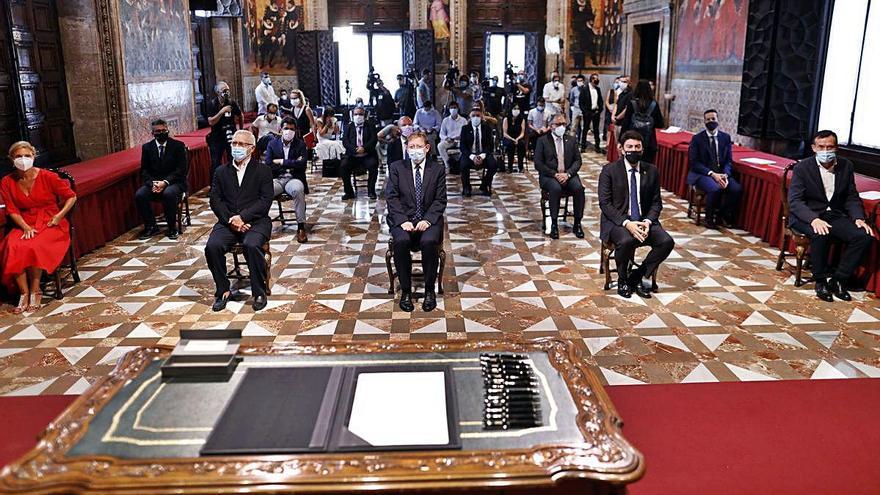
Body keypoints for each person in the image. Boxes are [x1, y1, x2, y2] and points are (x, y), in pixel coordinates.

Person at [788, 130, 874, 302]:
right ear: (813, 148)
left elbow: (851, 196)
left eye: (830, 147)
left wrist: (858, 218)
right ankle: (820, 282)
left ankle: (839, 280)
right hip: (806, 216)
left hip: (834, 214)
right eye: (821, 147)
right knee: (821, 233)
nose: (825, 151)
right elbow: (795, 201)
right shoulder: (802, 167)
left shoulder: (846, 165)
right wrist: (813, 219)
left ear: (837, 148)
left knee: (863, 237)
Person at [1, 141, 77, 314]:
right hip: (24, 221)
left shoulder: (47, 176)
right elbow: (11, 209)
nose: (23, 159)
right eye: (18, 156)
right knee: (13, 245)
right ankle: (24, 293)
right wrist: (26, 227)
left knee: (34, 245)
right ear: (11, 159)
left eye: (27, 156)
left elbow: (71, 196)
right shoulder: (7, 181)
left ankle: (36, 290)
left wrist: (59, 216)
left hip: (50, 220)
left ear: (34, 156)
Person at [598, 130, 674, 298]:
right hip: (618, 221)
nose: (634, 150)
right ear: (621, 149)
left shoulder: (651, 170)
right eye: (630, 147)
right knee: (626, 240)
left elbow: (656, 203)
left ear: (642, 149)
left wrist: (647, 221)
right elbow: (605, 203)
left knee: (666, 242)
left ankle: (637, 276)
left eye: (637, 147)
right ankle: (623, 280)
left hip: (643, 220)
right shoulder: (609, 170)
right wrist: (627, 223)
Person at [206, 130, 274, 312]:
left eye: (241, 144)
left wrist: (243, 217)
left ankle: (259, 291)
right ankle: (223, 290)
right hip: (227, 221)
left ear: (251, 149)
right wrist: (231, 219)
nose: (236, 147)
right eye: (234, 143)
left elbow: (265, 200)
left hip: (256, 221)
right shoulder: (221, 171)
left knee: (252, 245)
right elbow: (215, 200)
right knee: (212, 246)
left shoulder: (263, 170)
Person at [385, 131, 447, 312]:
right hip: (402, 219)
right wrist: (402, 220)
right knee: (402, 241)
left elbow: (440, 199)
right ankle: (405, 291)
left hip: (429, 219)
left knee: (428, 242)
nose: (415, 150)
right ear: (406, 148)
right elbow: (392, 197)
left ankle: (429, 290)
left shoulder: (437, 169)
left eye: (419, 147)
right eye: (411, 147)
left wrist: (427, 220)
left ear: (427, 148)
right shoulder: (397, 167)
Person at [687, 109, 742, 229]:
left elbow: (728, 160)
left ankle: (721, 216)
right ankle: (709, 218)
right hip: (703, 174)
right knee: (715, 189)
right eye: (708, 119)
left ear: (718, 120)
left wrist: (726, 175)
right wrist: (712, 174)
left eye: (713, 119)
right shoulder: (697, 139)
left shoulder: (725, 138)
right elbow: (694, 163)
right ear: (704, 122)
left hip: (722, 173)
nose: (711, 121)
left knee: (736, 189)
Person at [135, 119, 187, 241]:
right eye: (158, 131)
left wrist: (165, 183)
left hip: (174, 182)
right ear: (153, 133)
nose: (161, 133)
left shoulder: (178, 146)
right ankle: (151, 226)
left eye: (164, 130)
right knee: (140, 195)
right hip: (154, 182)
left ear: (167, 130)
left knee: (169, 193)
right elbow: (144, 170)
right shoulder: (147, 147)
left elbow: (181, 170)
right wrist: (152, 183)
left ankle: (171, 227)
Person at [534, 115, 585, 239]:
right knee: (555, 189)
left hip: (568, 174)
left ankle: (577, 223)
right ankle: (554, 224)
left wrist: (568, 174)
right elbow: (538, 163)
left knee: (579, 188)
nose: (562, 127)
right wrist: (555, 174)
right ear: (551, 126)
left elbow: (578, 161)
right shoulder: (543, 141)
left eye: (563, 124)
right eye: (558, 124)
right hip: (549, 175)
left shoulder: (571, 140)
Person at [264, 117, 309, 243]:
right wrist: (293, 163)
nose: (289, 131)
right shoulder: (272, 144)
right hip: (277, 179)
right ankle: (262, 226)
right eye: (286, 128)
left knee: (298, 190)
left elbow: (303, 164)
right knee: (264, 191)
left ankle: (301, 227)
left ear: (296, 131)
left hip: (294, 179)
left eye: (292, 129)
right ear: (280, 130)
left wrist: (282, 161)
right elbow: (268, 164)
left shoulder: (300, 144)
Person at [618, 79, 664, 164]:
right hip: (649, 142)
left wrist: (621, 141)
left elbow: (626, 123)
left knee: (631, 166)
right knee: (646, 168)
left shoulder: (632, 103)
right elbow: (660, 124)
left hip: (632, 141)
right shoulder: (654, 104)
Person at [340, 106, 379, 200]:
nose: (358, 116)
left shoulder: (370, 125)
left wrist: (364, 148)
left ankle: (371, 191)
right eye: (356, 114)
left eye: (360, 114)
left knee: (373, 165)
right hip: (352, 155)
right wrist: (355, 149)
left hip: (367, 154)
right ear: (352, 115)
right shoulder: (348, 127)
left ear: (364, 116)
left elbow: (374, 139)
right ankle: (349, 192)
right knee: (343, 166)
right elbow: (345, 141)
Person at [207, 81, 243, 181]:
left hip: (231, 135)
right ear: (218, 92)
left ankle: (234, 183)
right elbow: (211, 122)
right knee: (215, 162)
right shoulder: (212, 104)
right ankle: (214, 186)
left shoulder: (231, 102)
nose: (227, 92)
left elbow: (240, 115)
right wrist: (221, 111)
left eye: (228, 90)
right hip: (217, 136)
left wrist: (241, 129)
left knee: (233, 160)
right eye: (224, 90)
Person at [459, 107, 497, 197]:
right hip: (470, 154)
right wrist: (472, 157)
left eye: (478, 116)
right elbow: (463, 146)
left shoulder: (487, 128)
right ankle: (467, 187)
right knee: (463, 165)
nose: (476, 117)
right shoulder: (465, 128)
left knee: (493, 165)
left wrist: (482, 156)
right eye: (473, 116)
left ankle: (484, 185)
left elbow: (490, 145)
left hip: (483, 154)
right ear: (470, 117)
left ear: (482, 117)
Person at [579, 73, 603, 153]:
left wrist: (600, 110)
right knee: (585, 129)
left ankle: (597, 146)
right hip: (587, 112)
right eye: (595, 79)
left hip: (595, 112)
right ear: (592, 79)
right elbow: (581, 102)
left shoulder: (598, 89)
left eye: (597, 79)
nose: (597, 80)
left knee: (596, 130)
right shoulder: (584, 89)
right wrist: (585, 112)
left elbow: (600, 101)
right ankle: (583, 146)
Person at [438, 101, 466, 170]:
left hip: (460, 140)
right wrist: (446, 138)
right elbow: (441, 134)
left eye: (455, 108)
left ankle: (460, 164)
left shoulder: (463, 120)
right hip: (450, 140)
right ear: (449, 109)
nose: (453, 109)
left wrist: (461, 137)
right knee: (440, 146)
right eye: (451, 108)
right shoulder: (445, 120)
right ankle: (448, 164)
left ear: (458, 108)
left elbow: (466, 132)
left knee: (465, 147)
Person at [502, 104, 526, 173]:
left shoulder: (521, 119)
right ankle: (510, 167)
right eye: (514, 108)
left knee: (522, 144)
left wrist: (517, 139)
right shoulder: (506, 119)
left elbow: (522, 133)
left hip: (518, 137)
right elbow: (504, 133)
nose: (516, 110)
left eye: (517, 108)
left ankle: (520, 166)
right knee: (510, 145)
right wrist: (512, 139)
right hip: (508, 138)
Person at [569, 75, 585, 147]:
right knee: (574, 127)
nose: (580, 82)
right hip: (576, 109)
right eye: (578, 81)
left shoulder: (585, 89)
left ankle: (581, 142)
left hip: (584, 110)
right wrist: (573, 106)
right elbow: (571, 99)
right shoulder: (574, 89)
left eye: (581, 81)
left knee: (583, 127)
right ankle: (571, 142)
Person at [603, 76, 620, 142]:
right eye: (616, 82)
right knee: (608, 128)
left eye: (618, 82)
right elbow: (606, 101)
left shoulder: (620, 93)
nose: (617, 84)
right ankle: (607, 143)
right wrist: (609, 107)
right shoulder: (611, 91)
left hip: (617, 113)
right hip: (609, 112)